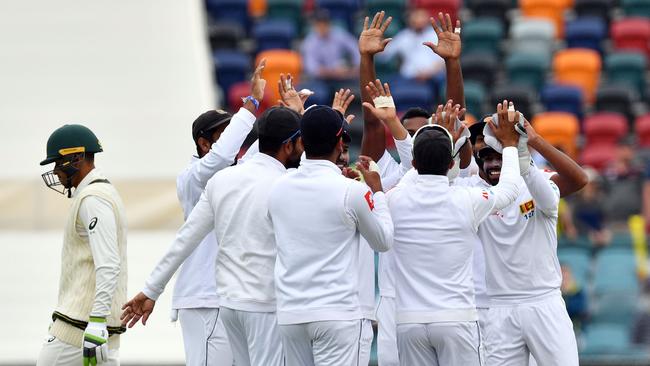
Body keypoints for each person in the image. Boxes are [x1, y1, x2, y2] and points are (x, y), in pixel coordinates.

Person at [121, 105, 304, 366]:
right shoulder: (282, 183)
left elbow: (186, 238)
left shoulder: (224, 180)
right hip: (251, 303)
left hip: (228, 305)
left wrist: (152, 288)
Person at [385, 94, 522, 364]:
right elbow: (508, 191)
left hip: (408, 322)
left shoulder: (394, 198)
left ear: (414, 164)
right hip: (456, 319)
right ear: (451, 165)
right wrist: (509, 146)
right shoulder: (466, 199)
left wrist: (436, 144)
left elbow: (416, 172)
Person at [456, 103, 588, 365]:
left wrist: (534, 140)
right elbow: (440, 178)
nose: (493, 163)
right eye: (486, 155)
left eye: (499, 154)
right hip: (498, 308)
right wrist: (451, 139)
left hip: (543, 302)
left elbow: (579, 180)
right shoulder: (473, 190)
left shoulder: (535, 181)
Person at [268, 105, 393, 366]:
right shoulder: (351, 191)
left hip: (291, 314)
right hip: (338, 315)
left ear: (301, 142)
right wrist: (377, 193)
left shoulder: (278, 187)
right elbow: (382, 241)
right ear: (339, 143)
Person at [170, 60, 266, 365]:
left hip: (229, 298)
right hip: (203, 298)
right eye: (223, 136)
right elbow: (223, 155)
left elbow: (268, 151)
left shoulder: (233, 174)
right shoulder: (193, 177)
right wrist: (251, 105)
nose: (232, 146)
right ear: (203, 143)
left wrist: (293, 113)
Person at [37, 124, 127, 366]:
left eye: (58, 163)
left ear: (76, 157)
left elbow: (108, 264)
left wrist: (96, 320)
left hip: (78, 331)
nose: (55, 171)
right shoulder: (98, 193)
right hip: (89, 330)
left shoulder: (94, 199)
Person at [380, 8, 445, 81]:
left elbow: (443, 60)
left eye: (421, 17)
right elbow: (385, 54)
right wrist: (379, 40)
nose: (419, 20)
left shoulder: (436, 34)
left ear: (427, 19)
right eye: (416, 17)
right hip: (408, 76)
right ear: (410, 20)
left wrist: (429, 73)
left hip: (434, 76)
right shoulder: (403, 36)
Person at [301, 9, 360, 82]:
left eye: (325, 23)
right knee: (318, 91)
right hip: (321, 79)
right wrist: (332, 72)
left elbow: (355, 48)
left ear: (329, 23)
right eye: (319, 24)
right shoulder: (310, 41)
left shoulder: (338, 33)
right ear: (314, 25)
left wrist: (355, 67)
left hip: (342, 76)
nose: (322, 27)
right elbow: (311, 68)